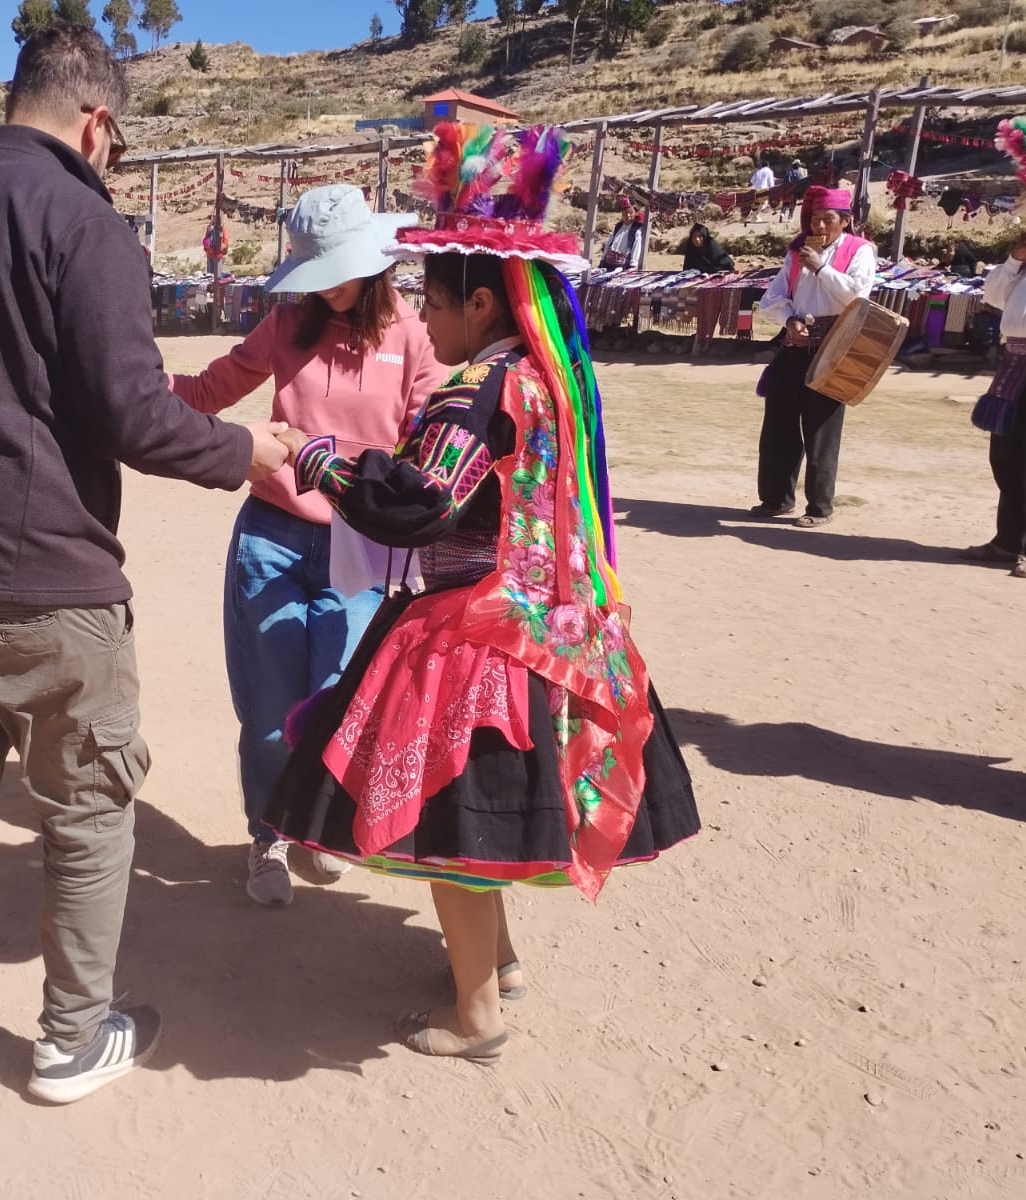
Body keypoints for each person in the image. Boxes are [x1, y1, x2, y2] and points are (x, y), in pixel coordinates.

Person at [0, 25, 290, 1136]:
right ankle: (73, 1038)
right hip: (37, 581)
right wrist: (247, 455)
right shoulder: (86, 222)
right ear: (98, 123)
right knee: (88, 812)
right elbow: (130, 414)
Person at [265, 123, 699, 1063]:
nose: (425, 314)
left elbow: (418, 506)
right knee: (489, 812)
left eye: (433, 296)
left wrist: (320, 464)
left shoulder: (475, 393)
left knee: (450, 829)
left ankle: (476, 1018)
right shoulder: (547, 380)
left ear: (474, 300)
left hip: (480, 638)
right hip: (555, 626)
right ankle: (496, 965)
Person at [170, 184, 446, 907]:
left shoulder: (414, 336)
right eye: (315, 272)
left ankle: (320, 825)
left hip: (364, 550)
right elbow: (208, 390)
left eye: (339, 270)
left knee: (335, 699)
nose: (326, 287)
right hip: (272, 537)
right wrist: (122, 385)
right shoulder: (286, 324)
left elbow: (430, 440)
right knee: (267, 709)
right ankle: (269, 837)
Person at [966, 108, 1026, 579]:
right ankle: (1009, 540)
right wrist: (1014, 256)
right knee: (1006, 455)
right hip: (1015, 368)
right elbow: (994, 300)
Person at [749, 186, 876, 528]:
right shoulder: (796, 254)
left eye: (828, 220)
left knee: (822, 429)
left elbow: (855, 295)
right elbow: (771, 299)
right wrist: (789, 319)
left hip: (834, 346)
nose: (820, 226)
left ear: (845, 222)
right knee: (779, 424)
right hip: (794, 345)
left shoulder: (861, 251)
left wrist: (821, 268)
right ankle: (776, 498)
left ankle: (819, 507)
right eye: (815, 219)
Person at [600, 202, 645, 269]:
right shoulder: (618, 226)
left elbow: (637, 245)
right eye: (625, 213)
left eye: (630, 213)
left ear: (635, 213)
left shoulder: (637, 228)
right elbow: (609, 243)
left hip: (623, 265)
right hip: (608, 263)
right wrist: (603, 259)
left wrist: (633, 264)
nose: (628, 215)